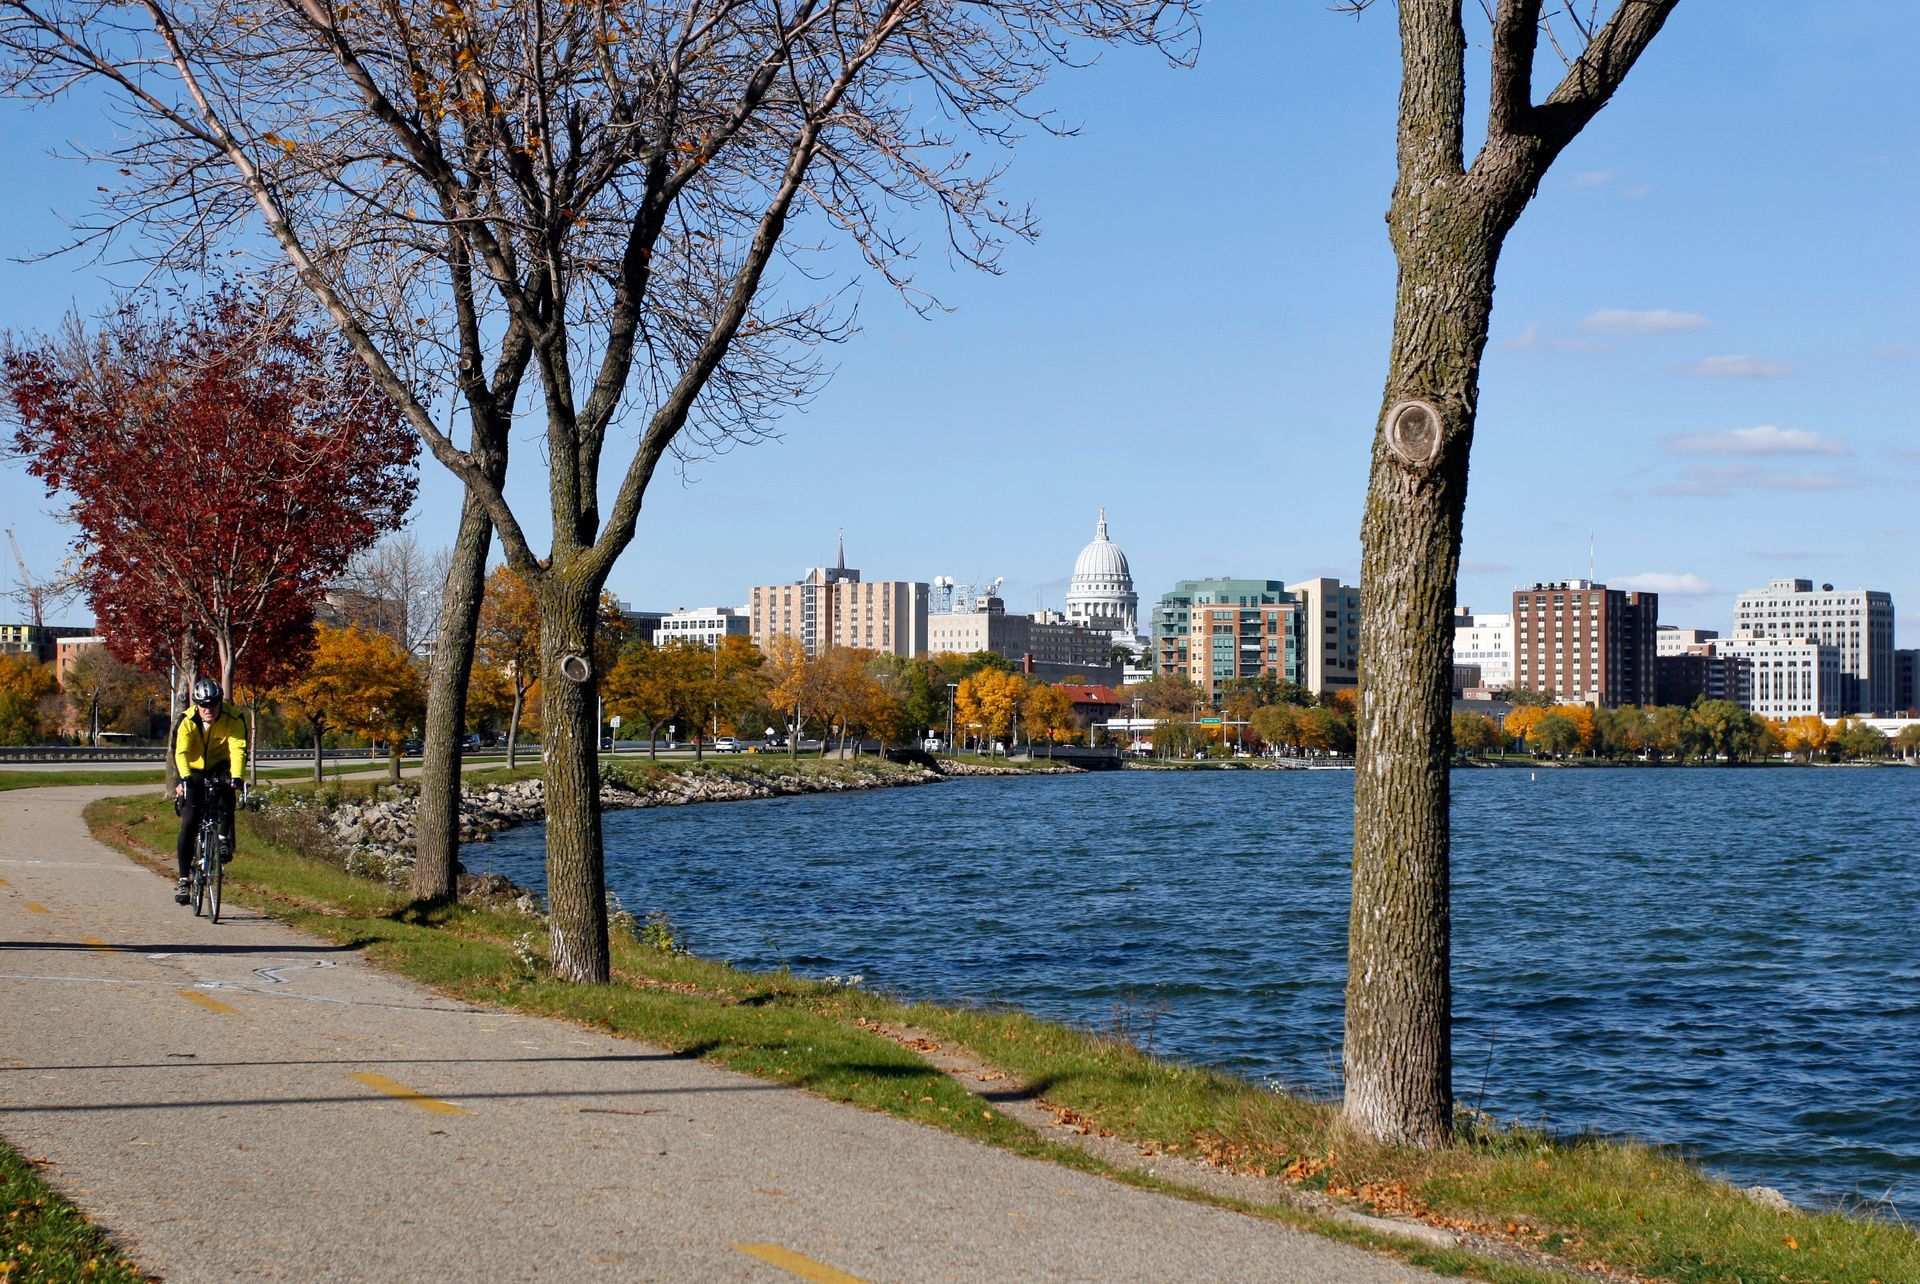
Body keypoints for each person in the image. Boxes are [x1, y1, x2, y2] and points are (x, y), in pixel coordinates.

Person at [173, 677, 247, 904]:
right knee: (190, 821)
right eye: (203, 705)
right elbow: (181, 752)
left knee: (228, 787)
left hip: (219, 766)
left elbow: (237, 748)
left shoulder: (233, 717)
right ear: (196, 704)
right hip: (192, 769)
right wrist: (183, 779)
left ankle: (223, 837)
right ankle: (184, 879)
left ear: (219, 702)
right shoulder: (187, 720)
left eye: (212, 704)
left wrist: (237, 776)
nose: (208, 709)